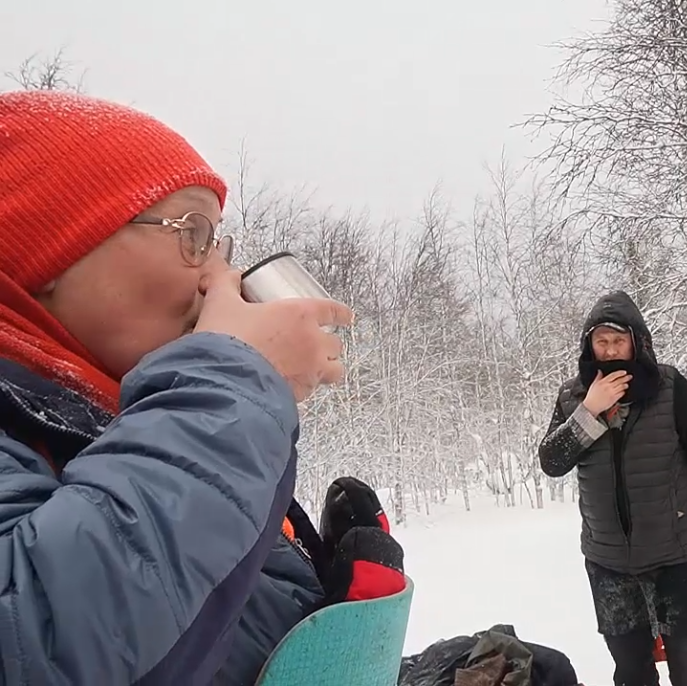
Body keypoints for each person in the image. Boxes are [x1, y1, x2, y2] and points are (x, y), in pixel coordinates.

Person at [0, 89, 405, 684]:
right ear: (48, 248)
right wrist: (233, 379)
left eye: (219, 241)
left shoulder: (135, 431)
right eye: (191, 233)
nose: (220, 275)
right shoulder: (192, 418)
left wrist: (339, 627)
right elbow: (38, 647)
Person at [537, 290, 687, 686]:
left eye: (618, 340)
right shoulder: (572, 396)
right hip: (607, 561)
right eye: (601, 341)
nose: (610, 351)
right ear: (589, 344)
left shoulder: (668, 385)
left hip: (674, 554)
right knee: (631, 671)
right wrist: (589, 409)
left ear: (636, 341)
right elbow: (552, 462)